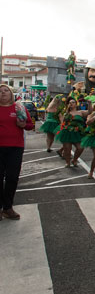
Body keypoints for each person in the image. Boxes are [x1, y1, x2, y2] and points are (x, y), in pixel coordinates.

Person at [0, 84, 34, 220]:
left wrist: (23, 125)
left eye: (5, 90)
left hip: (15, 147)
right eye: (0, 91)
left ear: (11, 93)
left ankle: (8, 207)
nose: (3, 93)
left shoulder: (19, 107)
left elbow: (31, 125)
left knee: (12, 178)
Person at [55, 97, 90, 167]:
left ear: (76, 104)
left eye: (73, 102)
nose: (71, 103)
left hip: (77, 133)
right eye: (70, 103)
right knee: (67, 149)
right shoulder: (66, 113)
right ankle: (67, 162)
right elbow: (62, 122)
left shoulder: (80, 112)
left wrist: (90, 103)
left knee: (80, 148)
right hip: (67, 132)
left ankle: (74, 160)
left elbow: (90, 112)